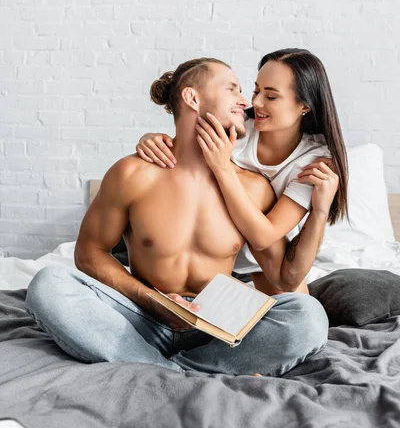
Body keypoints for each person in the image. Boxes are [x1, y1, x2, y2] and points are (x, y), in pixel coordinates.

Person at [25, 57, 332, 377]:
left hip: (216, 329)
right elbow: (89, 253)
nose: (247, 102)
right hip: (141, 316)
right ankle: (182, 372)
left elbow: (284, 278)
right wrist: (150, 300)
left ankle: (157, 368)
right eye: (233, 89)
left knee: (308, 316)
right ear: (192, 98)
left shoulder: (253, 189)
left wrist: (320, 211)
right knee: (49, 283)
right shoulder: (133, 173)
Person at [136, 48, 348, 295]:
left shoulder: (315, 160)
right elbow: (185, 138)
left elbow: (264, 237)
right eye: (256, 90)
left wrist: (320, 210)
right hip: (208, 252)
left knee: (300, 313)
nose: (254, 102)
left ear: (303, 105)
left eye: (271, 97)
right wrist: (152, 139)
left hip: (265, 259)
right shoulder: (236, 126)